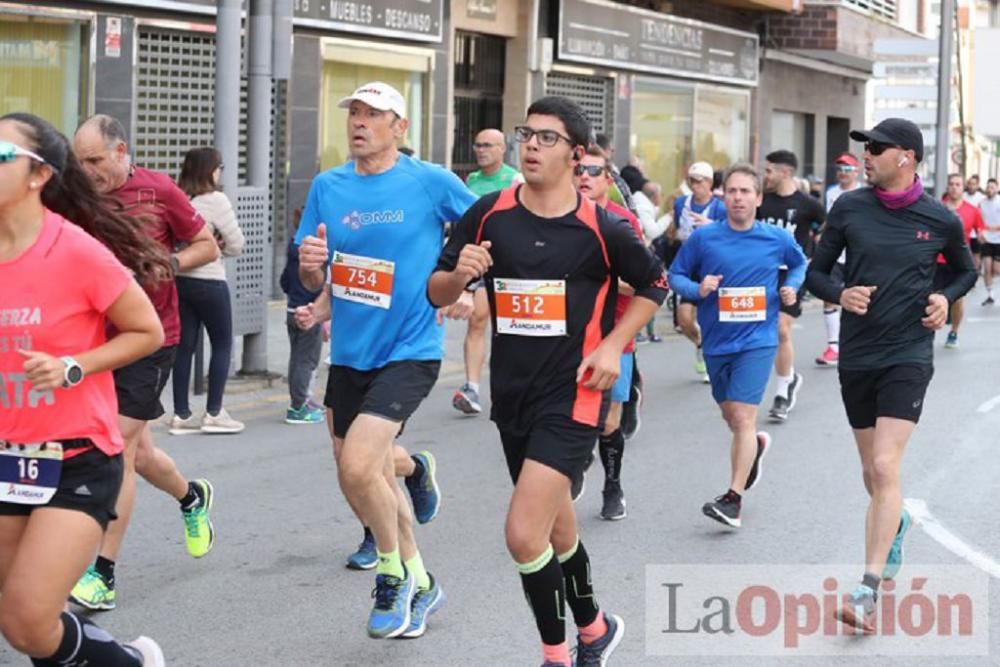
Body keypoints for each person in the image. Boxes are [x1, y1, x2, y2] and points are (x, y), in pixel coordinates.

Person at [429, 95, 668, 667]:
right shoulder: (488, 214)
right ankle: (596, 627)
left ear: (575, 155)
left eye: (546, 138)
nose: (530, 145)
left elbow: (655, 285)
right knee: (558, 532)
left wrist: (613, 344)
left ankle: (555, 655)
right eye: (526, 134)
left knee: (522, 534)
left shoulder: (601, 226)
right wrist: (459, 276)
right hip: (513, 396)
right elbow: (436, 289)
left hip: (574, 395)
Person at [295, 81, 476, 638]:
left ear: (399, 127)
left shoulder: (428, 181)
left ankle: (392, 574)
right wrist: (310, 266)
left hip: (411, 347)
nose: (359, 122)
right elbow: (310, 275)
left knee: (357, 465)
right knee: (363, 472)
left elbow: (481, 228)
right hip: (351, 351)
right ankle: (423, 579)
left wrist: (455, 281)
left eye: (374, 114)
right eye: (354, 112)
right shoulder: (328, 186)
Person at [0, 112, 167, 665]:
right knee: (25, 622)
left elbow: (147, 332)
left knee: (27, 618)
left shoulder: (75, 251)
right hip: (5, 460)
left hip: (75, 459)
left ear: (38, 175)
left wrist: (73, 365)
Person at [806, 118, 976, 632]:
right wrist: (839, 294)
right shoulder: (849, 207)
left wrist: (944, 300)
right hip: (858, 355)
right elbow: (816, 271)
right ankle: (895, 520)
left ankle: (866, 592)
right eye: (866, 147)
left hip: (907, 354)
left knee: (884, 465)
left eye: (875, 148)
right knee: (873, 473)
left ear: (906, 157)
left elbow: (965, 270)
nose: (866, 155)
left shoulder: (939, 218)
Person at [69, 114, 219, 611]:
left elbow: (207, 245)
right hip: (93, 342)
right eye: (79, 161)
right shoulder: (74, 196)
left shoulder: (158, 191)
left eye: (94, 160)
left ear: (120, 151)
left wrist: (170, 264)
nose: (87, 170)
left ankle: (103, 573)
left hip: (152, 338)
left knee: (115, 449)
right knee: (144, 456)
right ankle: (192, 497)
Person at [670, 164, 805, 528]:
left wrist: (791, 286)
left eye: (746, 191)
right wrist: (695, 290)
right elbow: (675, 274)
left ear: (759, 199)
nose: (739, 198)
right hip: (716, 341)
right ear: (722, 196)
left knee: (744, 417)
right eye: (732, 191)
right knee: (732, 416)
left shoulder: (775, 239)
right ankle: (755, 448)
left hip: (758, 340)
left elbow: (799, 263)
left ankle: (733, 498)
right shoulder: (704, 238)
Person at [574, 145, 646, 521]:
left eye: (593, 171)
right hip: (567, 332)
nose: (584, 176)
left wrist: (597, 277)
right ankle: (570, 468)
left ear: (607, 180)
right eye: (579, 170)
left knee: (609, 421)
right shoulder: (557, 216)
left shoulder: (621, 222)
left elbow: (644, 284)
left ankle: (612, 485)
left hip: (615, 332)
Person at [169, 147, 246, 435]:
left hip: (182, 280)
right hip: (210, 281)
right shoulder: (216, 200)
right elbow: (237, 243)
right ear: (210, 170)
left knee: (184, 347)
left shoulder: (179, 199)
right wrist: (220, 246)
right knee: (223, 343)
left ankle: (180, 414)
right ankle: (214, 412)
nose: (221, 171)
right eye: (219, 166)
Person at [453, 129, 524, 416]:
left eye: (487, 145)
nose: (481, 150)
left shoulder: (515, 180)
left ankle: (517, 386)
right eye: (477, 145)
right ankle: (472, 387)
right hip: (479, 262)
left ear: (502, 149)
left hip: (511, 265)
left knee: (510, 331)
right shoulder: (472, 180)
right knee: (477, 320)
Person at [757, 149, 826, 422]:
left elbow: (829, 226)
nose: (766, 175)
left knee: (781, 329)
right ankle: (790, 376)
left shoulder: (807, 204)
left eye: (769, 170)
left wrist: (816, 253)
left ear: (786, 172)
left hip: (793, 275)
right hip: (762, 275)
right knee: (765, 333)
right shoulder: (762, 202)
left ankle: (783, 392)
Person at [672, 162, 728, 382]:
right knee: (684, 319)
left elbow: (732, 235)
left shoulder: (720, 208)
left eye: (699, 181)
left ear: (710, 183)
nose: (695, 185)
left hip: (713, 268)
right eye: (691, 180)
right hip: (689, 267)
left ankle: (713, 358)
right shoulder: (680, 204)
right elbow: (679, 230)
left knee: (712, 318)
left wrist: (711, 225)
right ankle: (701, 344)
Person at [816, 152, 864, 366]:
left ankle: (857, 344)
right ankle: (833, 345)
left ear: (856, 171)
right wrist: (821, 233)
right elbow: (830, 219)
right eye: (839, 169)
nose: (842, 174)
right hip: (836, 254)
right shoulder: (831, 192)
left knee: (859, 299)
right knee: (830, 296)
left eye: (847, 169)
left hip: (859, 254)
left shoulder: (865, 193)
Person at [280, 209, 326, 424]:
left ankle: (302, 400)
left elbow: (284, 282)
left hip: (292, 309)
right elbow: (319, 286)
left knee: (297, 359)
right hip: (310, 310)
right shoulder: (316, 254)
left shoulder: (292, 247)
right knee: (307, 360)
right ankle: (299, 406)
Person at [939, 174, 984, 349]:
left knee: (957, 299)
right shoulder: (937, 208)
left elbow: (980, 229)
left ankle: (954, 332)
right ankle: (926, 333)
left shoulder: (973, 210)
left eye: (958, 184)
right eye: (951, 184)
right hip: (936, 260)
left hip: (958, 262)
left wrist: (981, 235)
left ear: (963, 187)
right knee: (929, 297)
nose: (954, 187)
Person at [979, 178, 1000, 305]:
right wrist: (980, 232)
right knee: (987, 268)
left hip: (999, 240)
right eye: (988, 187)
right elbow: (979, 221)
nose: (989, 189)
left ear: (997, 189)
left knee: (997, 270)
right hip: (987, 239)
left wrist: (995, 228)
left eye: (992, 187)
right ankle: (990, 295)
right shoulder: (982, 203)